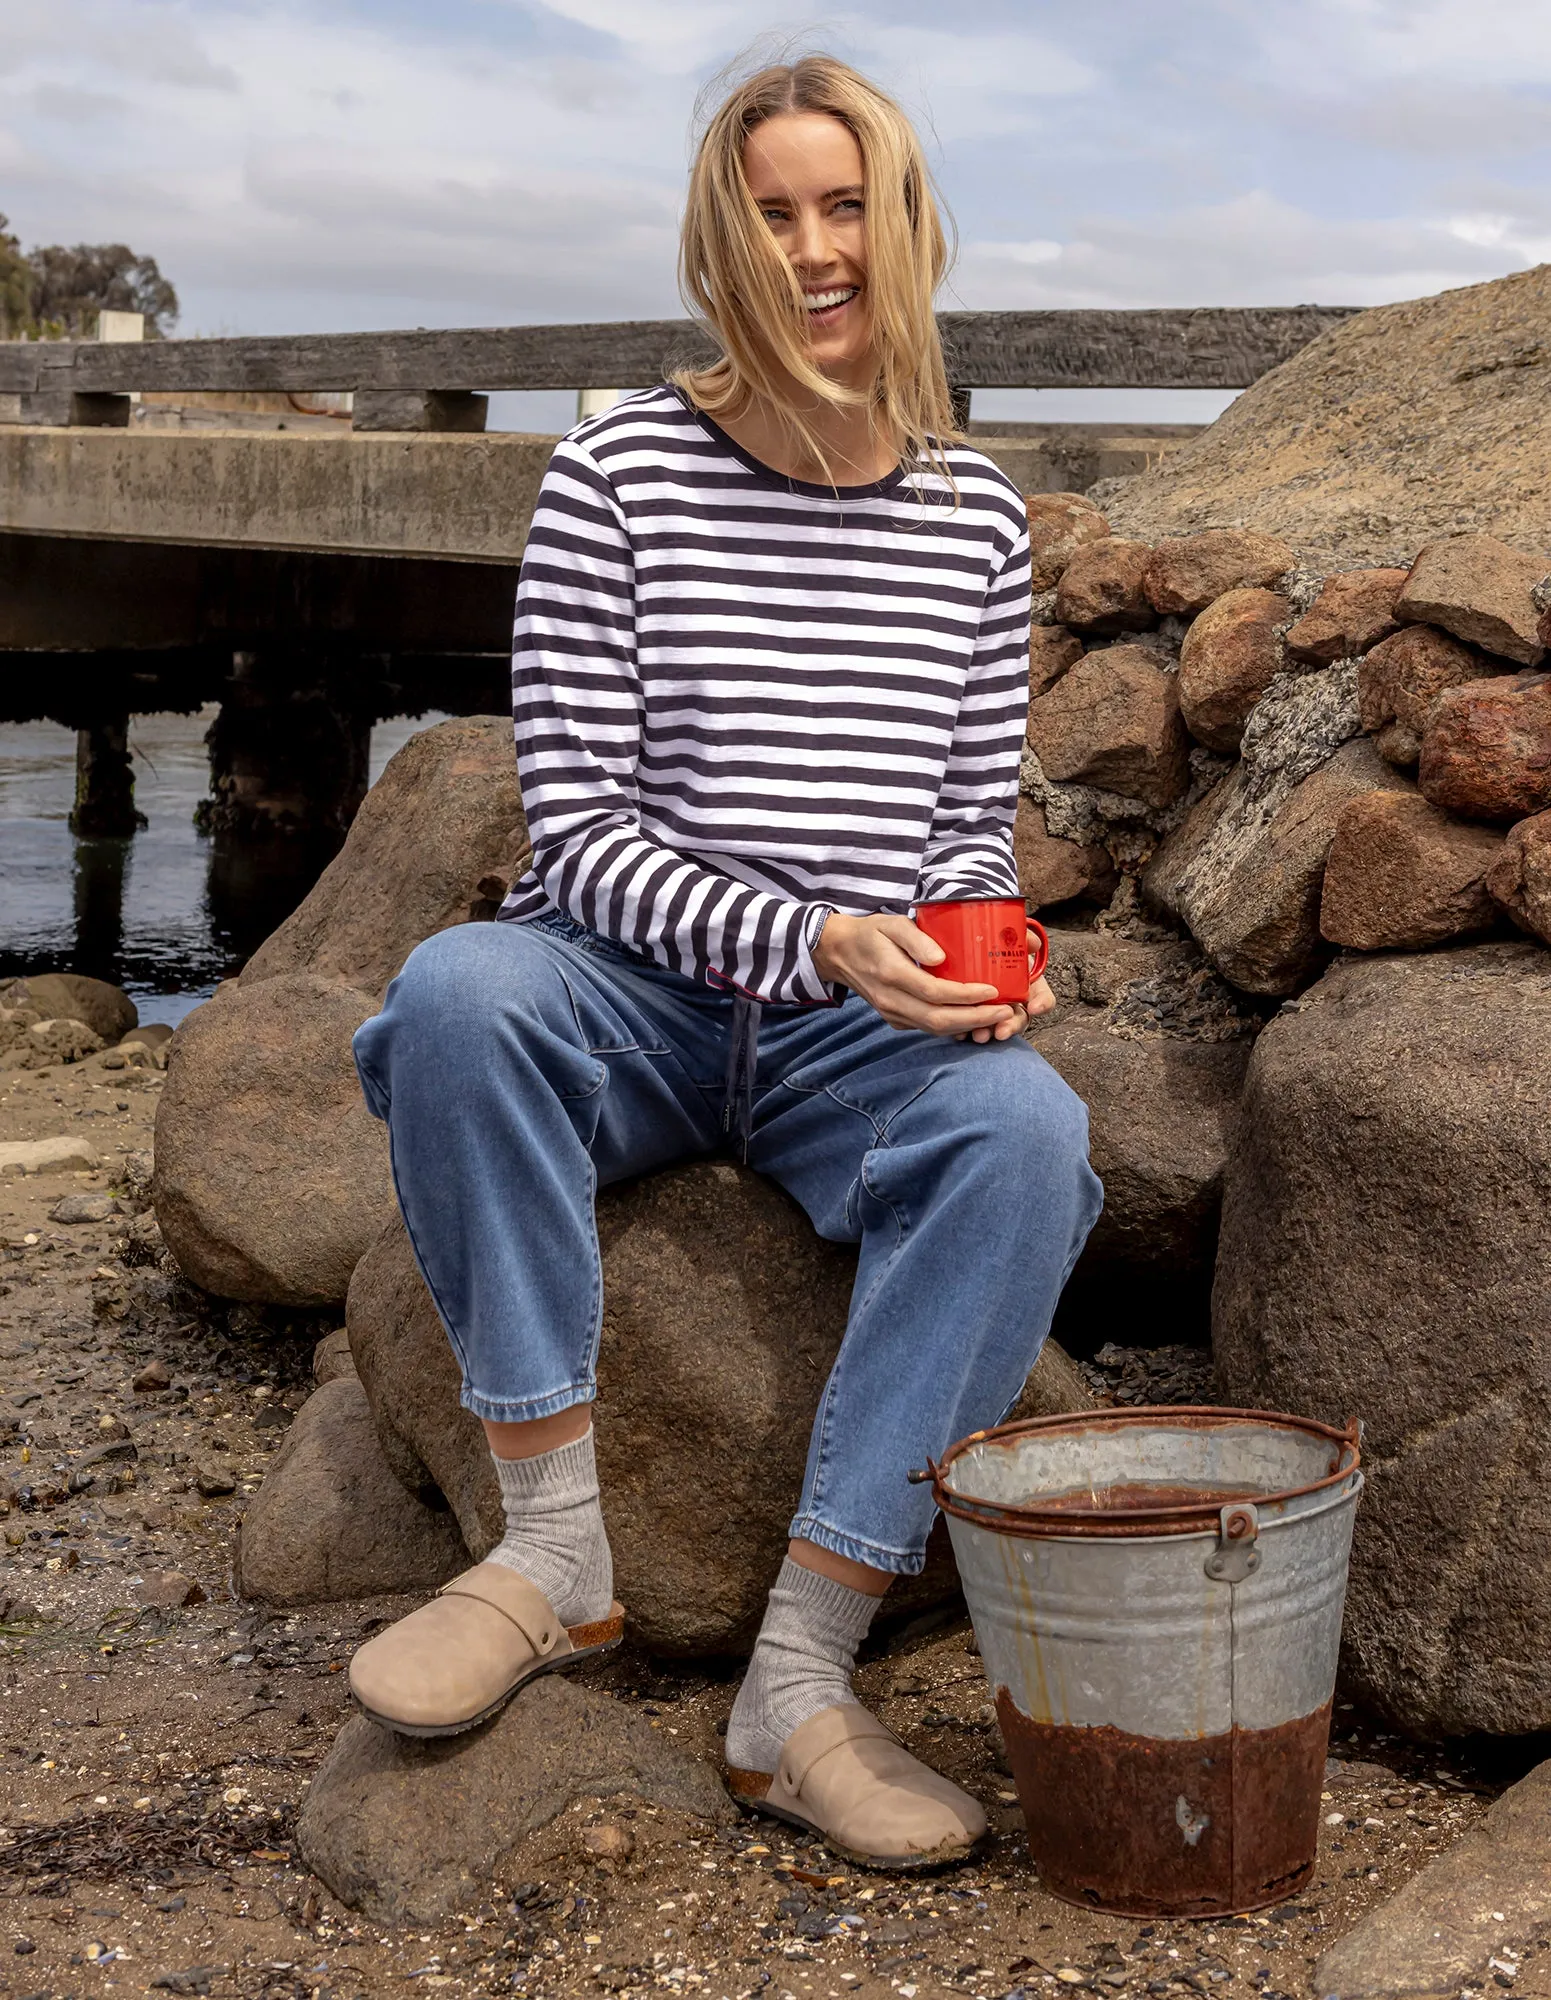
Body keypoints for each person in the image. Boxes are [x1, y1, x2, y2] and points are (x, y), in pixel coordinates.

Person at [348, 53, 1102, 1871]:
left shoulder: (975, 520)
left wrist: (970, 956)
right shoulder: (614, 472)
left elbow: (953, 826)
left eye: (845, 207)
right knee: (454, 999)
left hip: (858, 1035)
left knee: (1030, 1137)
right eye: (772, 213)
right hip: (640, 1001)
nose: (812, 249)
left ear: (902, 228)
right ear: (718, 241)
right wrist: (813, 938)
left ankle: (800, 1680)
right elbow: (583, 837)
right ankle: (550, 1552)